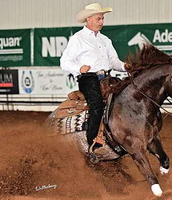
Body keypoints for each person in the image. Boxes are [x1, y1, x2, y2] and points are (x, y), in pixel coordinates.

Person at [60, 3, 126, 153]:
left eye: (102, 18)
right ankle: (92, 144)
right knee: (96, 105)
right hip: (88, 78)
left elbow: (114, 62)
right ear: (89, 19)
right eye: (99, 18)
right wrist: (79, 68)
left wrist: (125, 67)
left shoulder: (105, 40)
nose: (102, 22)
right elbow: (64, 62)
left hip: (107, 77)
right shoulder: (78, 38)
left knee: (127, 98)